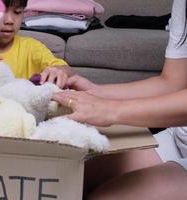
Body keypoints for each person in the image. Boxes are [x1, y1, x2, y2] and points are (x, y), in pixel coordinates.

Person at [52, 0, 187, 199]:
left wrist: (110, 111)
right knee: (67, 181)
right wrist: (95, 92)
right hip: (179, 139)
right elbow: (173, 82)